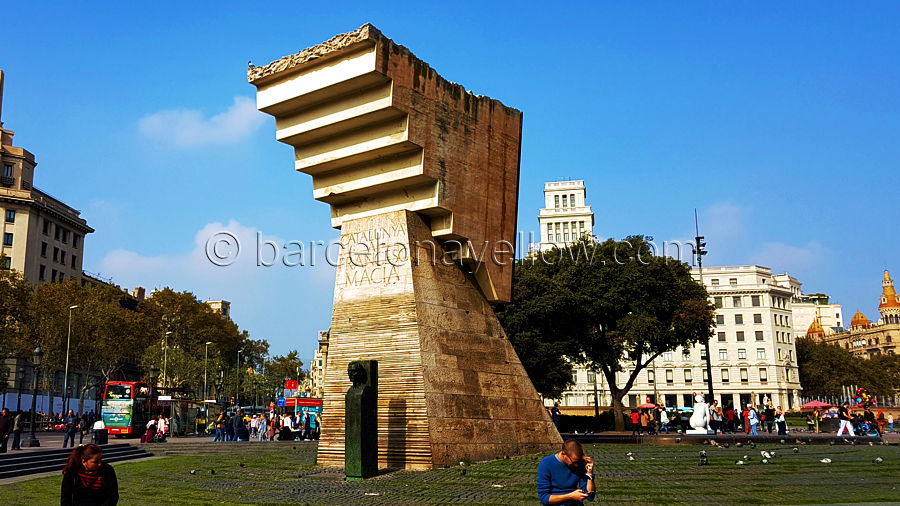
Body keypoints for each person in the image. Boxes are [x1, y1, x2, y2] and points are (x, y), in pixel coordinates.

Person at [537, 439, 595, 505]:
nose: (577, 465)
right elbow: (544, 498)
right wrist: (570, 496)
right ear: (563, 454)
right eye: (574, 462)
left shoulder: (580, 463)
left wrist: (590, 473)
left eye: (578, 462)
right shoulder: (546, 463)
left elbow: (590, 497)